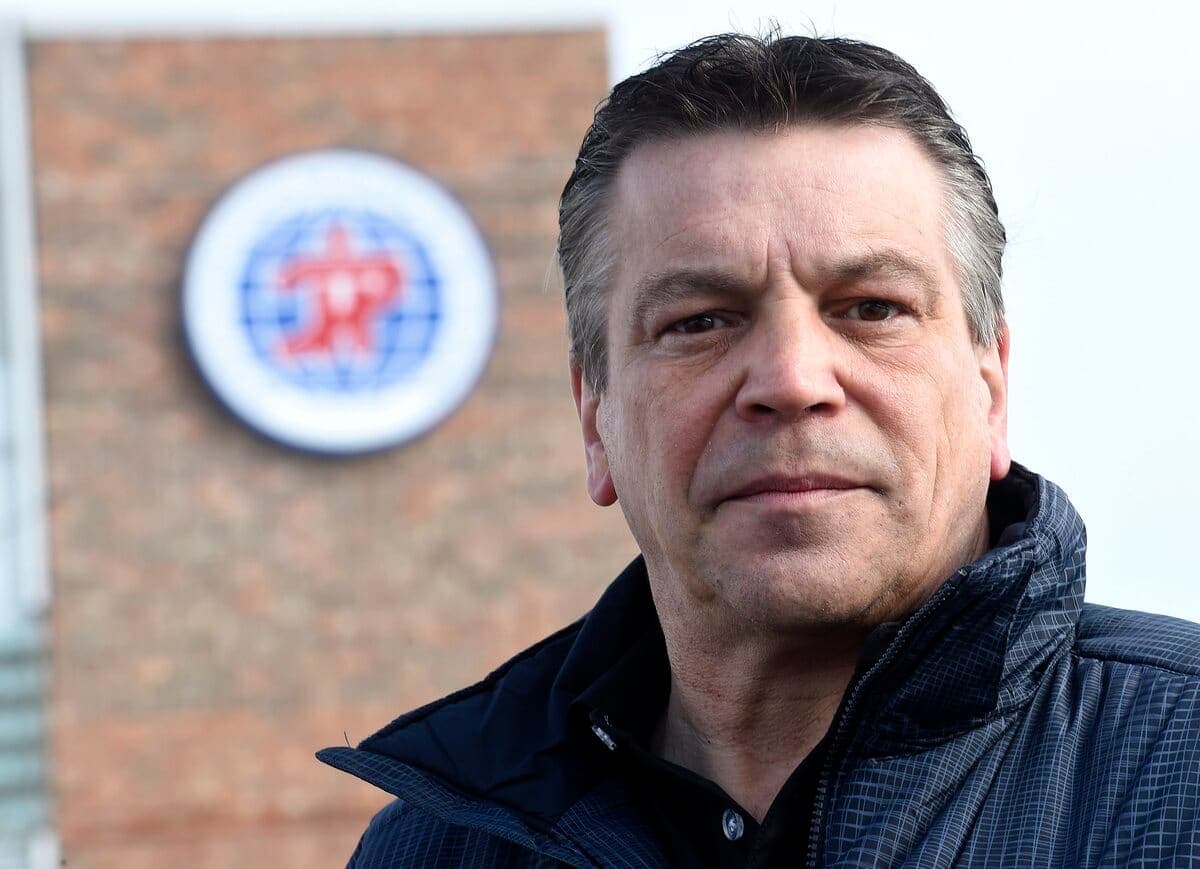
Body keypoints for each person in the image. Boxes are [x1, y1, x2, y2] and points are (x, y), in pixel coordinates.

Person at [320, 32, 1200, 867]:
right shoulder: (435, 847)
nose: (789, 377)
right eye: (699, 322)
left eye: (871, 307)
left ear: (991, 387)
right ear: (596, 419)